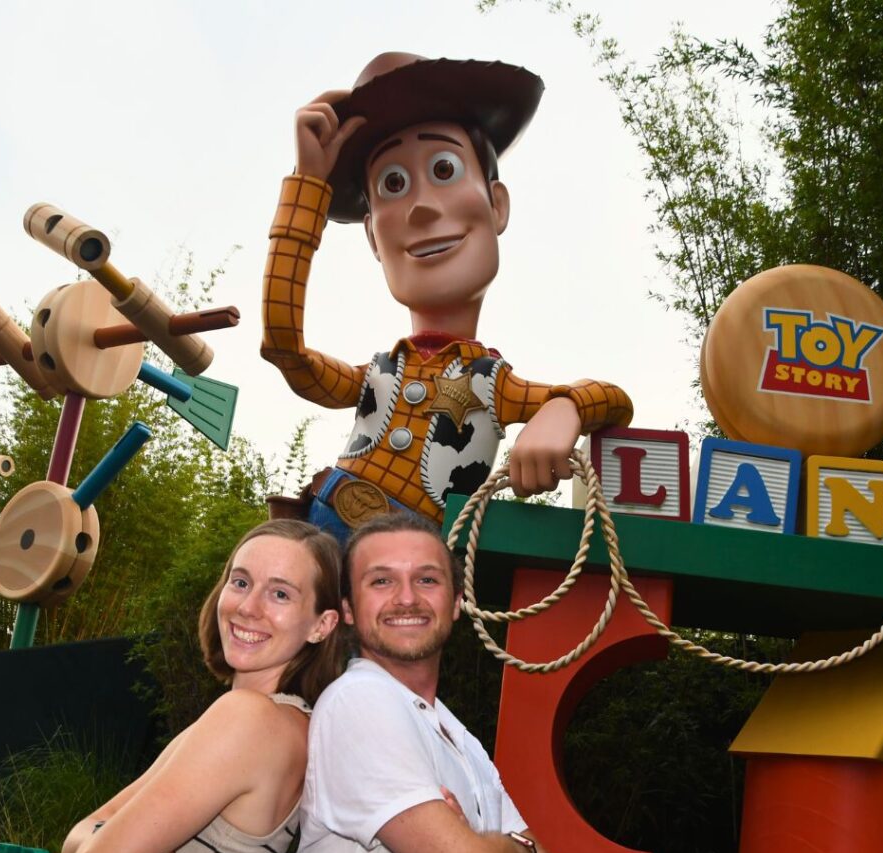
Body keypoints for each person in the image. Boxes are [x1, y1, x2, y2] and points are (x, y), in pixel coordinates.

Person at [261, 52, 633, 540]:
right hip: (323, 530)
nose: (419, 208)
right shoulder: (378, 373)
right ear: (373, 237)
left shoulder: (492, 384)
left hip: (416, 560)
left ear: (496, 204)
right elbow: (286, 349)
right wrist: (307, 185)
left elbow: (615, 401)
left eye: (444, 169)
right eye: (393, 183)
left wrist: (564, 408)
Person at [61, 520, 342, 853]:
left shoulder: (246, 720)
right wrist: (124, 843)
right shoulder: (291, 724)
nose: (248, 606)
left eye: (280, 593)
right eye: (240, 581)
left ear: (321, 625)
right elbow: (81, 836)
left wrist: (115, 847)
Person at [293, 511, 565, 853]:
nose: (406, 598)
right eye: (381, 581)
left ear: (457, 602)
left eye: (427, 579)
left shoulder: (457, 735)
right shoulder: (360, 702)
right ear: (348, 610)